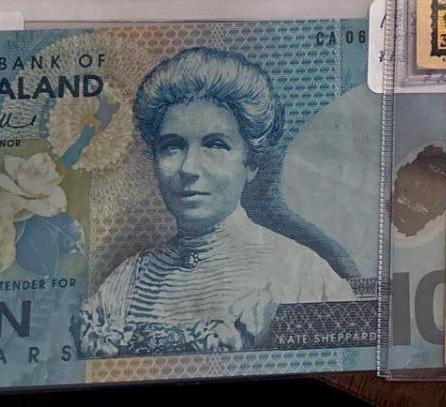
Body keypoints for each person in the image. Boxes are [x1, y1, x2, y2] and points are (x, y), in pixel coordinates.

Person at [74, 47, 353, 357]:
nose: (189, 168)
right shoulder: (125, 284)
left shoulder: (303, 274)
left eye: (215, 145)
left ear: (251, 162)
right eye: (172, 146)